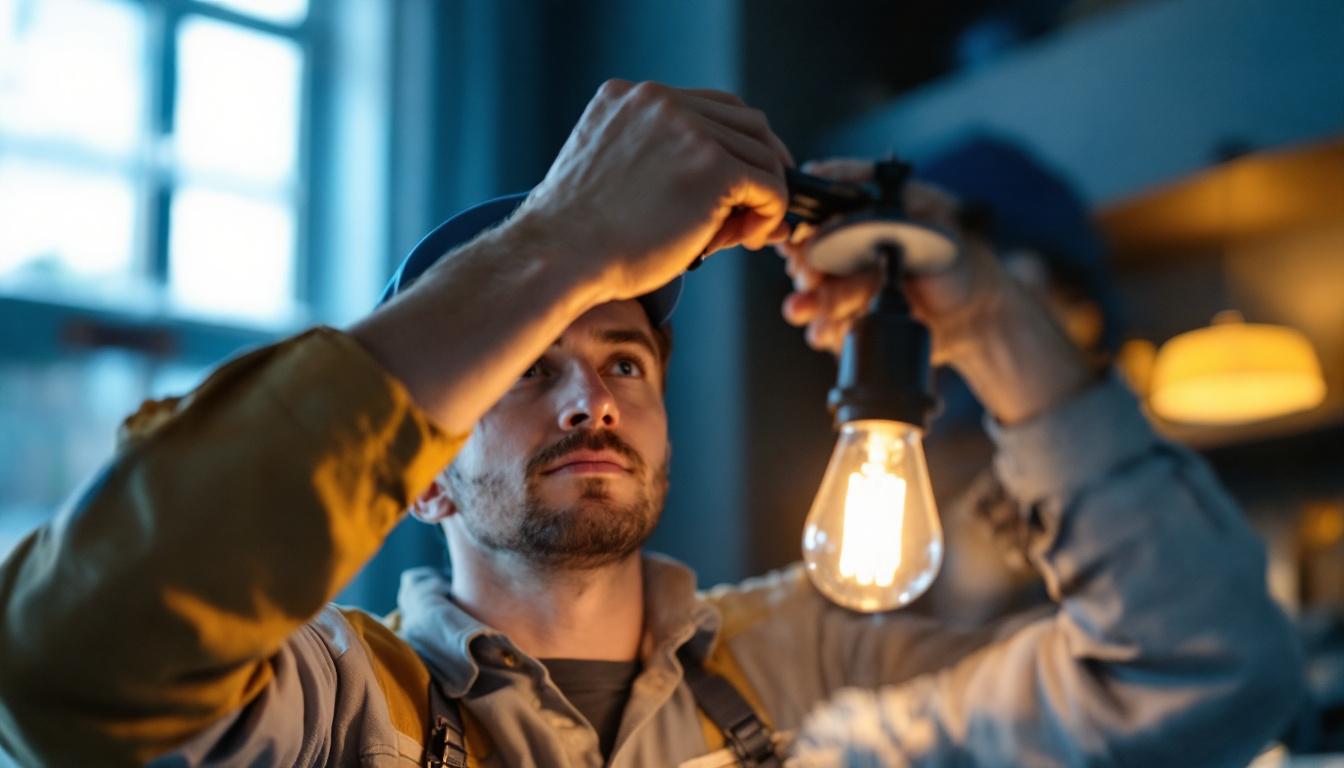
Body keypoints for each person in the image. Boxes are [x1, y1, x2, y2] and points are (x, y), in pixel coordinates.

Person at [0, 81, 1302, 767]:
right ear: (423, 479)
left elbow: (1209, 680)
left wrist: (989, 326)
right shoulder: (337, 708)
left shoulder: (811, 678)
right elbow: (64, 670)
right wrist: (555, 246)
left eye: (625, 359)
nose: (591, 396)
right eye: (526, 364)